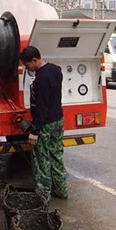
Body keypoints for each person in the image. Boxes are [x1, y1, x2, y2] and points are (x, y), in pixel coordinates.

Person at [19, 45, 68, 200]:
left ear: (35, 60)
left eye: (27, 65)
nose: (27, 68)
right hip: (58, 120)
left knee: (41, 159)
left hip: (45, 124)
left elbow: (42, 108)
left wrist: (34, 131)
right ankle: (61, 190)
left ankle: (43, 193)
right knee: (56, 155)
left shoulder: (41, 79)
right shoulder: (55, 70)